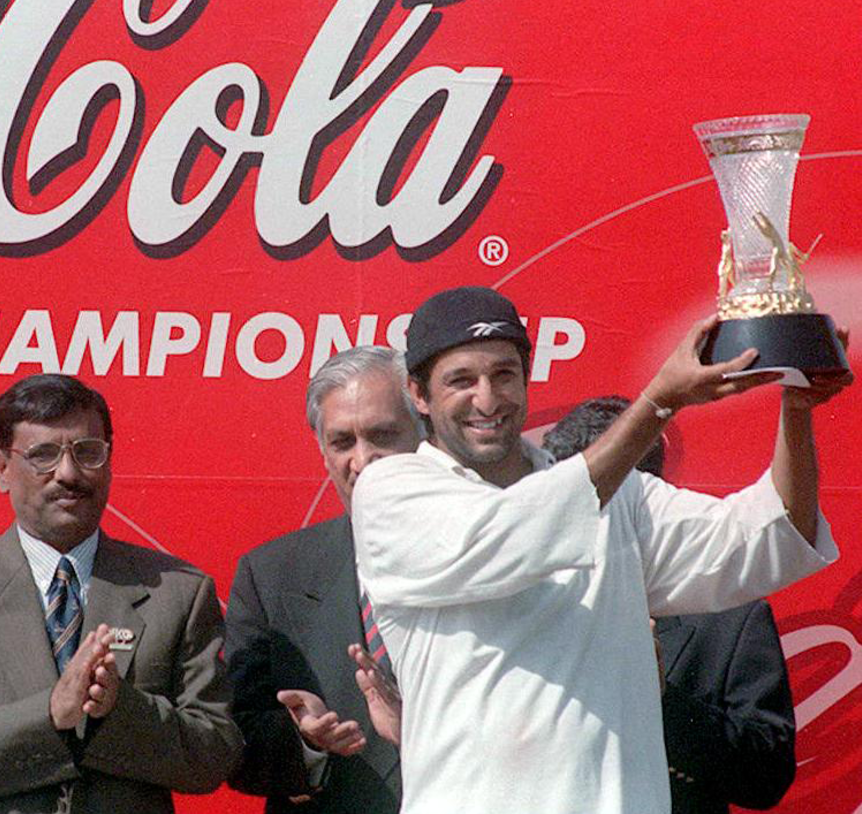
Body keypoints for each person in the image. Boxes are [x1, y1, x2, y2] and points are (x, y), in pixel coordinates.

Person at [350, 285, 850, 814]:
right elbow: (518, 532)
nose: (487, 398)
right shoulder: (393, 492)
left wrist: (796, 410)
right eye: (461, 380)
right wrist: (658, 402)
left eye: (503, 374)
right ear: (419, 395)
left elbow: (766, 538)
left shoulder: (620, 496)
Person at [0, 373, 241, 813]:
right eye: (43, 455)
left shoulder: (179, 592)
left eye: (87, 453)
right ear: (2, 468)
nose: (68, 474)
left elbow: (213, 753)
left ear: (109, 461)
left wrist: (120, 709)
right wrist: (50, 713)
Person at [543, 395, 796, 814]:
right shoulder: (522, 598)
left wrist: (659, 698)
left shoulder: (729, 620)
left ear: (649, 498)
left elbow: (765, 777)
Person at [226, 346, 420, 813]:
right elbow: (233, 745)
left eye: (382, 435)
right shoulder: (271, 575)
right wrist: (305, 745)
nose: (363, 460)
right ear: (324, 453)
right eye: (342, 442)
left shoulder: (487, 554)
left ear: (424, 435)